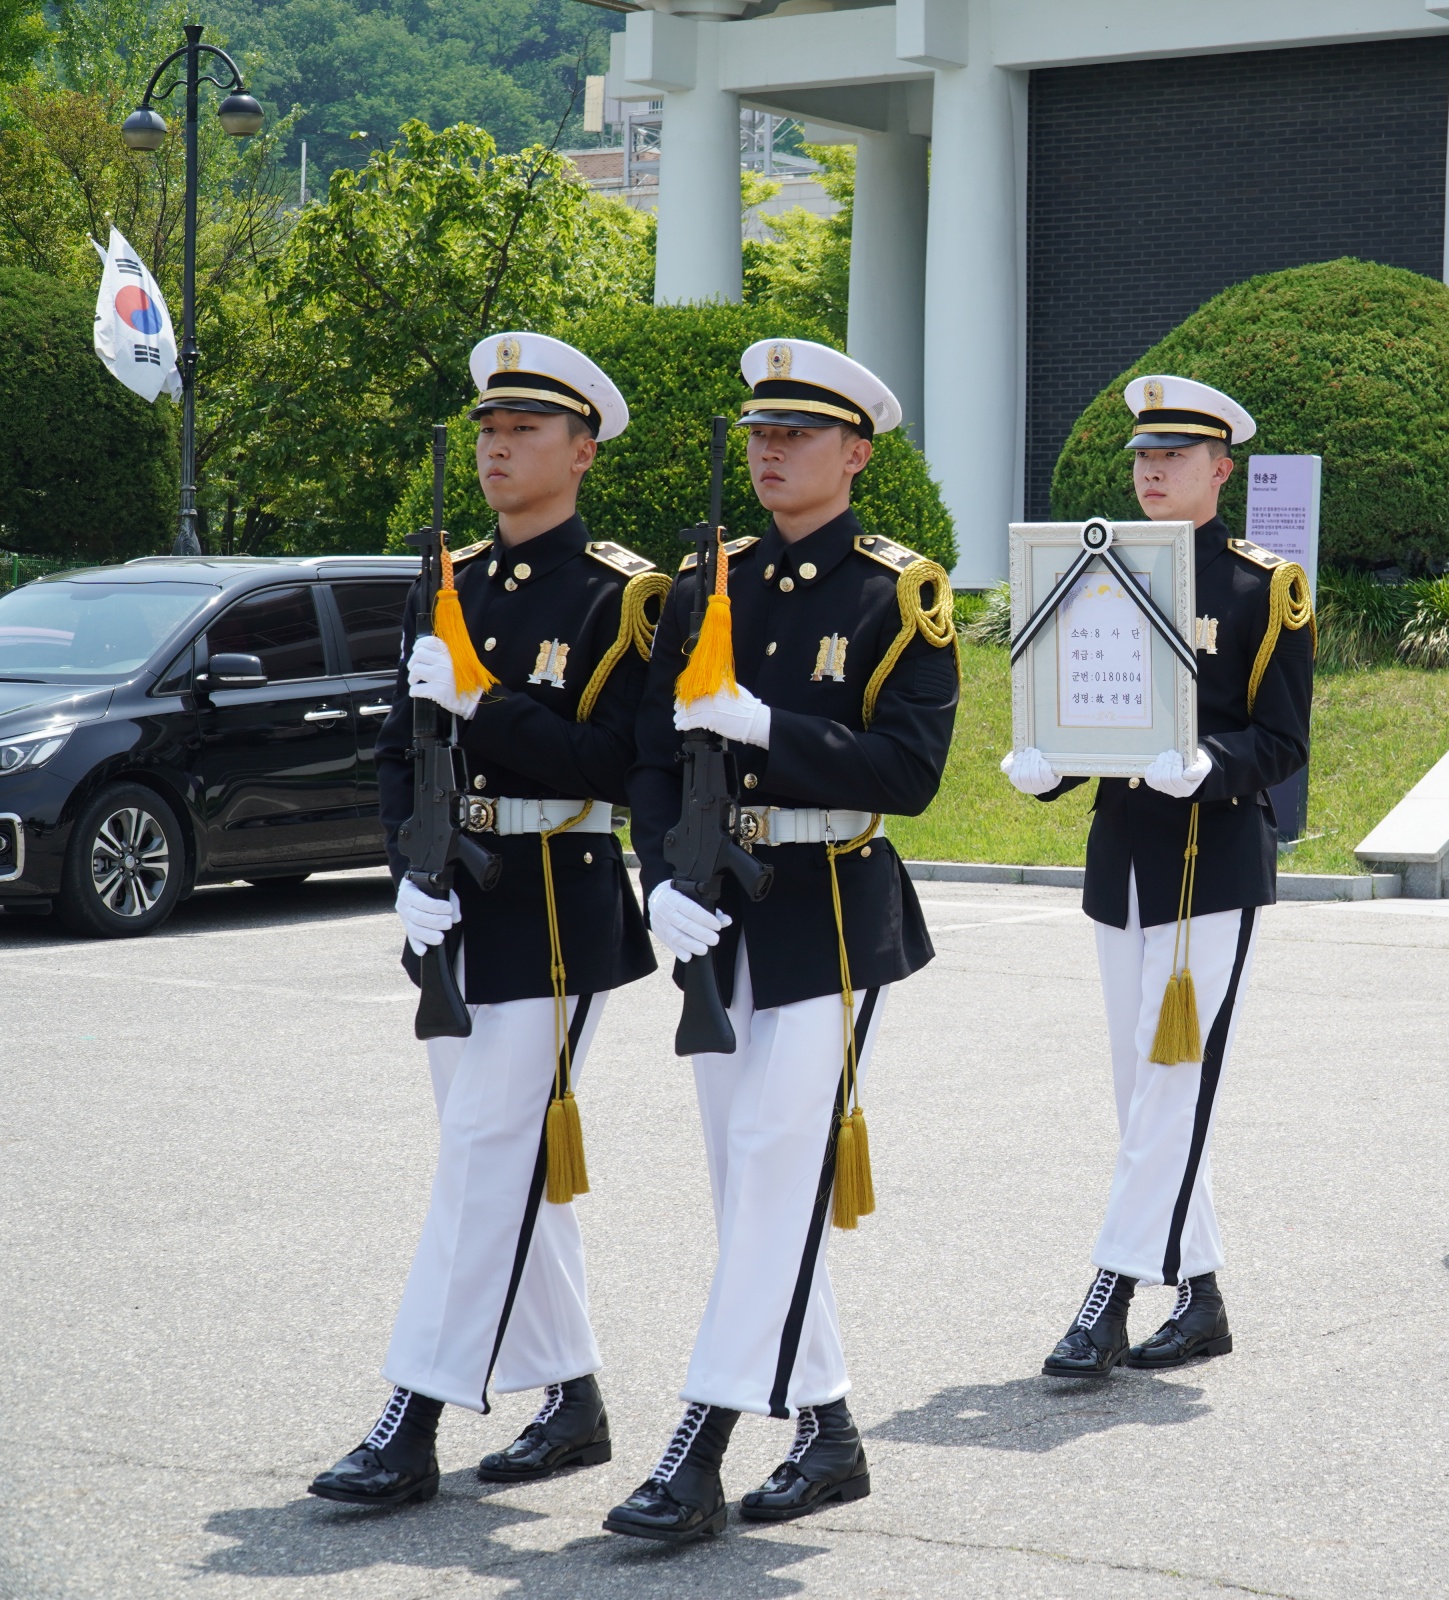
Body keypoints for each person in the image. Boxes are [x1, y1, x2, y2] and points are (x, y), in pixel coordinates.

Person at [311, 333, 667, 1509]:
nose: (497, 446)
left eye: (523, 430)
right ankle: (571, 1397)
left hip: (557, 902)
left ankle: (412, 1411)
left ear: (583, 449)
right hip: (451, 899)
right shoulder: (446, 577)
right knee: (502, 1163)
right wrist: (401, 864)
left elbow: (618, 766)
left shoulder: (624, 595)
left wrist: (491, 705)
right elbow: (396, 747)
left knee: (480, 1164)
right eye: (486, 428)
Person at [610, 339, 958, 1541]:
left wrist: (771, 723)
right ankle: (830, 1432)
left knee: (769, 1170)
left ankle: (700, 1440)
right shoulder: (708, 580)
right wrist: (655, 876)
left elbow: (912, 772)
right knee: (743, 1180)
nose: (769, 449)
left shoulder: (895, 593)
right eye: (760, 432)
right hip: (714, 906)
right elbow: (651, 761)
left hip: (829, 908)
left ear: (855, 454)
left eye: (797, 434)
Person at [1001, 375, 1314, 1379]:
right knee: (1147, 1095)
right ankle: (1205, 1294)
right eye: (1143, 455)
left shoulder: (1263, 587)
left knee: (1170, 1088)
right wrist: (1045, 761)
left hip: (1210, 866)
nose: (1151, 470)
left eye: (1173, 457)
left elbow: (1283, 739)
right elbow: (1079, 701)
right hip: (1124, 861)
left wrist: (1211, 766)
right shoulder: (1095, 572)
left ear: (1221, 470)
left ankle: (1109, 1293)